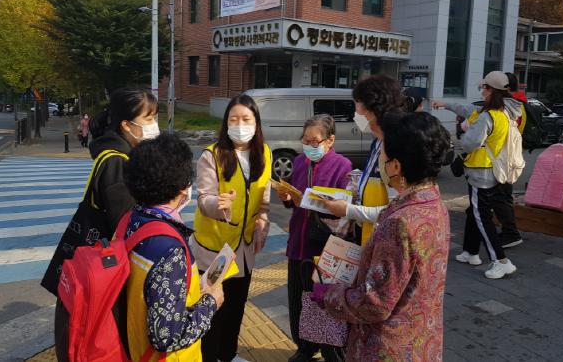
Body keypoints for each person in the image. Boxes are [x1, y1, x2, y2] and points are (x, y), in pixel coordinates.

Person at [41, 88, 159, 362]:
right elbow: (126, 225)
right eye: (149, 118)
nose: (155, 125)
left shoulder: (112, 155)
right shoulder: (118, 163)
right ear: (126, 125)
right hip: (105, 270)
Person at [321, 112, 451, 361]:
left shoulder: (399, 223)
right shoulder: (434, 204)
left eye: (382, 154)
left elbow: (375, 303)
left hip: (387, 347)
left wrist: (331, 294)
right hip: (422, 338)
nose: (379, 160)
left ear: (396, 166)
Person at [122, 132, 224, 362]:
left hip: (133, 348)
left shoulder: (131, 220)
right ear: (182, 189)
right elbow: (166, 336)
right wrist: (211, 303)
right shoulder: (170, 249)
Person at [191, 94, 271, 362]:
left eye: (246, 119)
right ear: (225, 123)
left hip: (243, 250)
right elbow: (204, 199)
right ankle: (208, 357)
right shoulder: (212, 155)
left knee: (236, 306)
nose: (240, 125)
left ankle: (228, 355)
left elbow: (264, 201)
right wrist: (219, 205)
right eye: (233, 119)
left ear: (256, 123)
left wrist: (262, 225)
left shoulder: (264, 153)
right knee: (211, 309)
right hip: (214, 251)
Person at [277, 115, 352, 362]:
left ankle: (326, 350)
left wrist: (321, 204)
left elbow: (345, 209)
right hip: (298, 242)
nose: (310, 145)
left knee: (319, 300)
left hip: (323, 247)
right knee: (297, 299)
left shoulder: (343, 166)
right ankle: (304, 348)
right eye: (305, 140)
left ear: (330, 141)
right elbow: (294, 199)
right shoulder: (300, 162)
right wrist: (288, 198)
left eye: (315, 141)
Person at [433, 71, 521, 278]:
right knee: (475, 212)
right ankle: (471, 252)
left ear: (491, 90)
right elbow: (466, 109)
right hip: (492, 171)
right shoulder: (503, 112)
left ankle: (501, 261)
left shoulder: (487, 116)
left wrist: (461, 137)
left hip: (481, 173)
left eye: (485, 88)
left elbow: (469, 143)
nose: (482, 91)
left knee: (482, 217)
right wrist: (445, 104)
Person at [323, 75, 404, 245]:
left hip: (384, 240)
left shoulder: (394, 148)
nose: (355, 112)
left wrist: (349, 210)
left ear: (372, 109)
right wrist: (359, 181)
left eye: (357, 104)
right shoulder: (377, 142)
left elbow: (396, 209)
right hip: (367, 234)